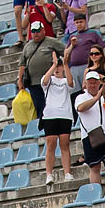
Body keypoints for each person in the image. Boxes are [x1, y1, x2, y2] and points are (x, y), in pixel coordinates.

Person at [36, 46, 78, 183]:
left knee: (65, 144)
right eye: (56, 67)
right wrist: (53, 64)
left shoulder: (65, 81)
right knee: (51, 143)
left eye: (59, 67)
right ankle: (49, 174)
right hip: (50, 115)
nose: (57, 69)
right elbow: (44, 81)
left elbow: (71, 83)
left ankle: (67, 172)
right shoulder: (48, 80)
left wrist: (65, 64)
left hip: (65, 115)